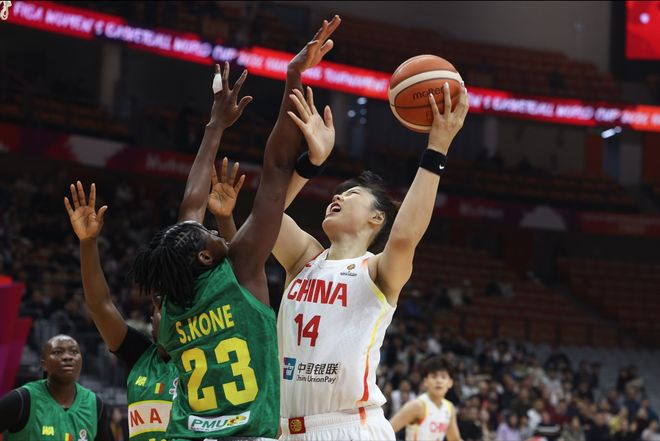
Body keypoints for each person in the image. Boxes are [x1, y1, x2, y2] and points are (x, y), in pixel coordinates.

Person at [128, 12, 330, 434]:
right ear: (204, 256)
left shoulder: (173, 306)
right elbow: (276, 169)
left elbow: (190, 207)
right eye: (209, 233)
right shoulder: (237, 272)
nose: (212, 228)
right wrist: (293, 77)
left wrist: (215, 125)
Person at [272, 23, 469, 438]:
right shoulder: (303, 258)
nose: (337, 196)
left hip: (350, 427)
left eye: (352, 194)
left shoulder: (377, 271)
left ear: (377, 218)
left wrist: (437, 148)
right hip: (286, 429)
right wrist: (310, 165)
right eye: (337, 192)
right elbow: (266, 213)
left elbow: (405, 237)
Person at [62, 162, 246, 441]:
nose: (165, 313)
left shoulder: (207, 348)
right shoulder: (140, 356)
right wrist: (88, 243)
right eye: (159, 309)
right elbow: (100, 306)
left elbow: (239, 277)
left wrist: (224, 219)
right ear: (152, 321)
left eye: (173, 307)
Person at [0, 335, 112, 441]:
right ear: (44, 364)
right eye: (57, 352)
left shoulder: (95, 404)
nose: (68, 357)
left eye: (74, 352)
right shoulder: (22, 400)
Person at [389, 356, 461, 441]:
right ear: (425, 381)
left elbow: (454, 439)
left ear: (450, 383)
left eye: (443, 377)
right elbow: (386, 430)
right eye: (434, 377)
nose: (439, 381)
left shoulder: (449, 408)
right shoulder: (417, 406)